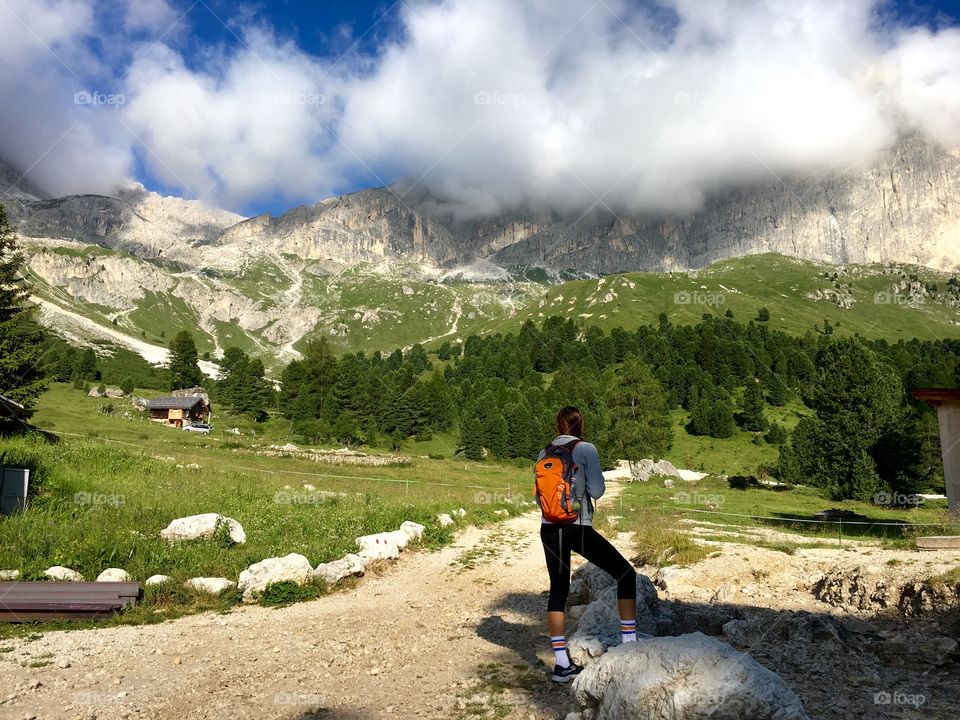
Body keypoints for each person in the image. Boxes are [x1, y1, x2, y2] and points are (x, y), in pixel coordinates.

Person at [537, 406, 637, 682]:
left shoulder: (544, 453)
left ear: (558, 425)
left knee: (558, 590)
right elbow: (598, 490)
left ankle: (560, 664)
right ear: (580, 425)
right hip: (577, 528)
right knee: (626, 575)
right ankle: (630, 647)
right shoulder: (586, 449)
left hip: (549, 530)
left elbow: (539, 499)